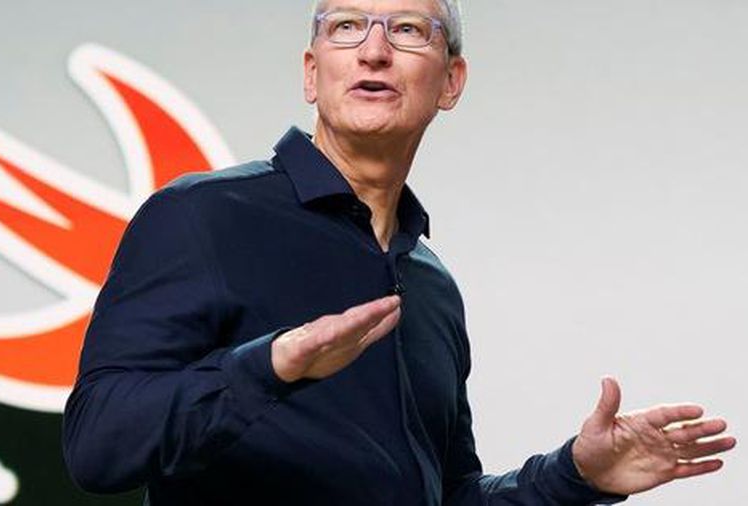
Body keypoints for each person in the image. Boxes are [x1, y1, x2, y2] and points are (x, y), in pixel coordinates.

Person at [62, 1, 736, 504]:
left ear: (450, 81)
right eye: (346, 27)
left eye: (409, 30)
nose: (374, 51)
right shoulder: (202, 216)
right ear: (311, 73)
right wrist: (269, 367)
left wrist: (575, 476)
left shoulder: (430, 284)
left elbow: (449, 494)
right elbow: (97, 444)